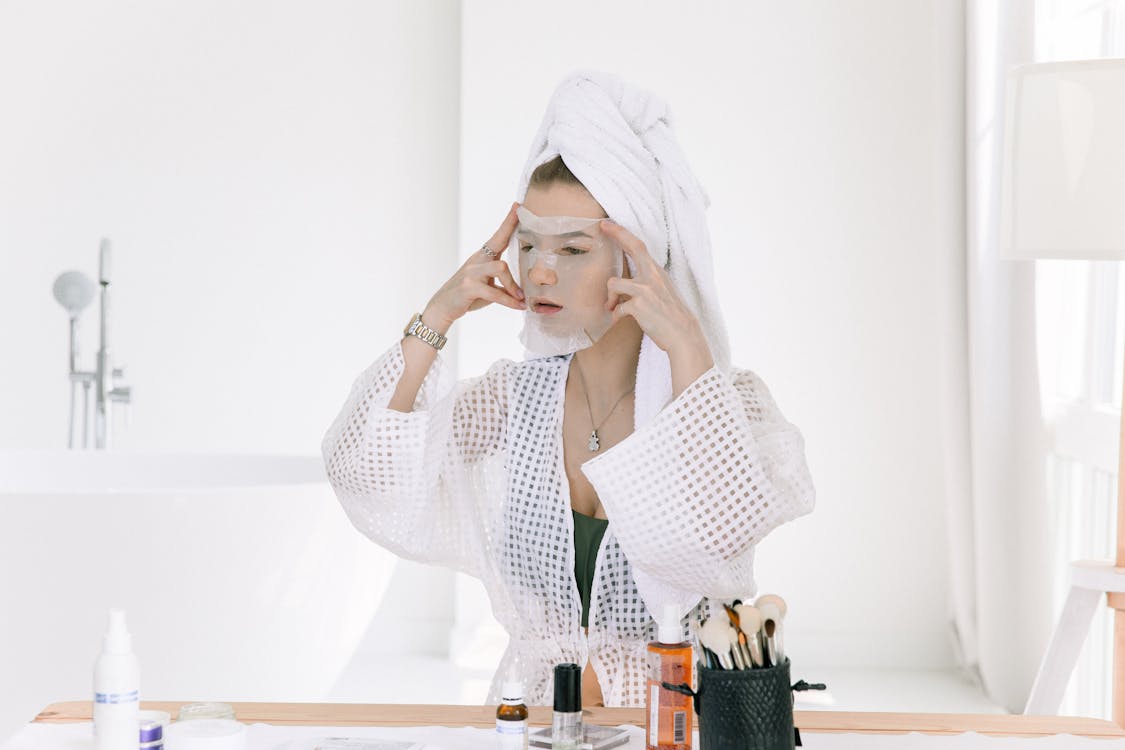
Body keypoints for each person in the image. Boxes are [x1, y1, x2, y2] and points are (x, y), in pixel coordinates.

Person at [321, 70, 815, 708]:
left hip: (672, 723)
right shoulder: (514, 402)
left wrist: (687, 349)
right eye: (529, 244)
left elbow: (715, 546)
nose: (542, 269)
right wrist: (435, 317)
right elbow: (362, 470)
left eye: (575, 248)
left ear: (634, 263)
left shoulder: (729, 405)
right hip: (536, 721)